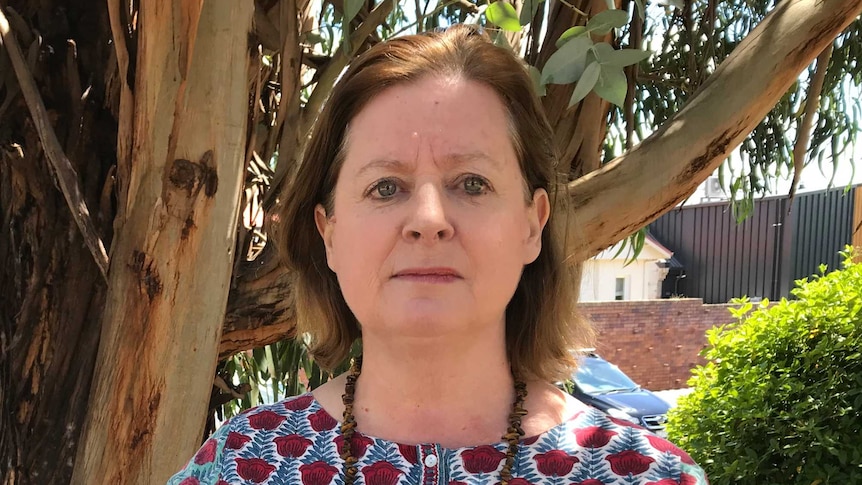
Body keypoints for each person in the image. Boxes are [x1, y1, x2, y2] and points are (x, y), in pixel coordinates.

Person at [168, 25, 708, 485]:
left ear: (532, 224)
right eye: (385, 187)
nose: (429, 220)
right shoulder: (243, 463)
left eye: (472, 183)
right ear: (329, 234)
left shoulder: (640, 473)